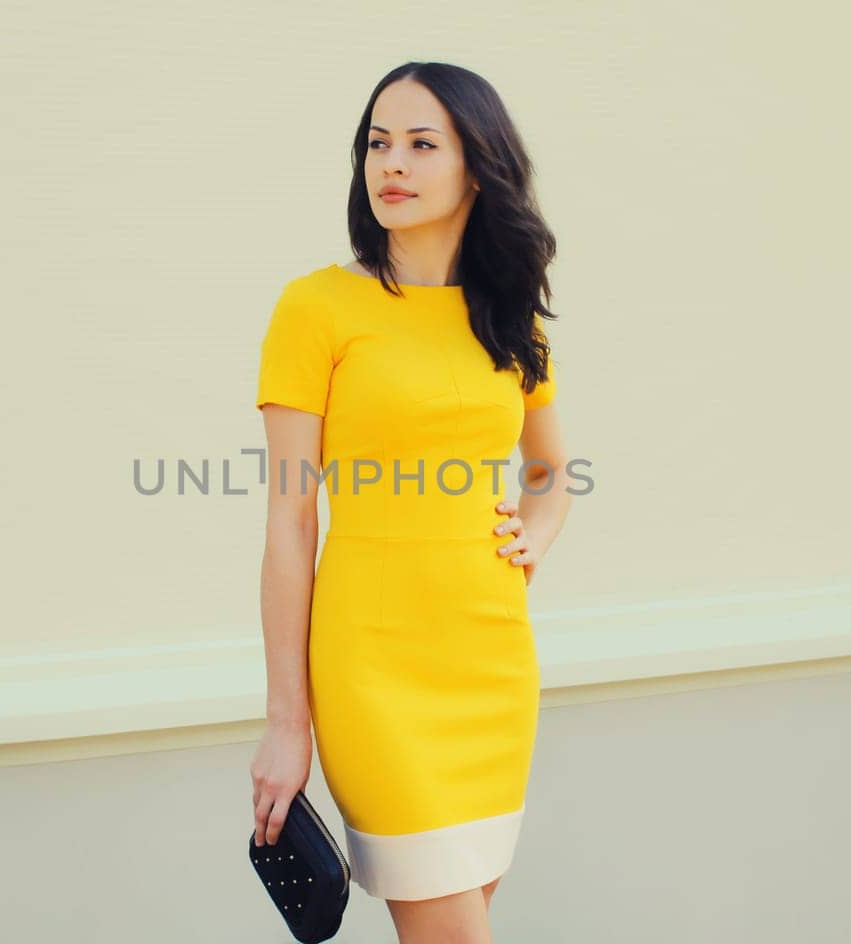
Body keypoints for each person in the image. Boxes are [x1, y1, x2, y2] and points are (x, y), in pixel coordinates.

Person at [250, 61, 572, 943]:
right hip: (373, 673)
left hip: (491, 664)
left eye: (421, 144)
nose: (390, 163)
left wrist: (530, 539)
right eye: (377, 143)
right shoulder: (316, 308)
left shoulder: (509, 319)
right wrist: (288, 723)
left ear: (478, 168)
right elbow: (289, 519)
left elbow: (549, 469)